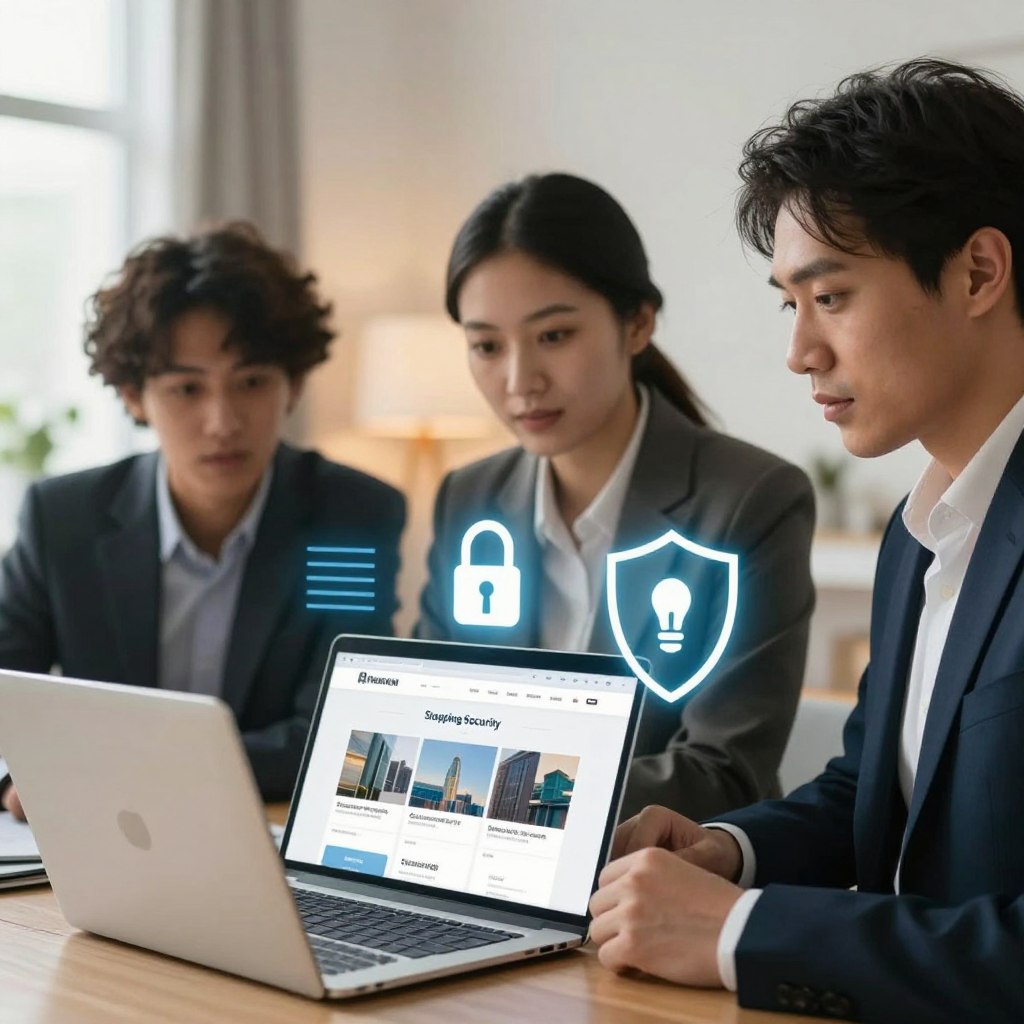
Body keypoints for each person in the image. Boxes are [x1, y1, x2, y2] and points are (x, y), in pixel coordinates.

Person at [588, 59, 1024, 1023]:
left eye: (831, 297)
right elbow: (875, 789)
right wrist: (726, 854)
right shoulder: (923, 532)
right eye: (792, 304)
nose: (800, 353)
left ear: (979, 271)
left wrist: (739, 933)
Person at [415, 173, 815, 821]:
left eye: (554, 336)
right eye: (487, 346)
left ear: (637, 324)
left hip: (654, 885)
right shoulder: (469, 498)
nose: (520, 381)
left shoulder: (750, 502)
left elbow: (724, 772)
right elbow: (422, 713)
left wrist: (500, 796)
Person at [0, 222, 405, 816]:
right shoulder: (66, 521)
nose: (223, 421)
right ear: (134, 397)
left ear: (291, 386)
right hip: (103, 834)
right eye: (187, 389)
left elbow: (334, 729)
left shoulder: (344, 522)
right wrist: (22, 774)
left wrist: (130, 771)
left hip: (263, 830)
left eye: (251, 382)